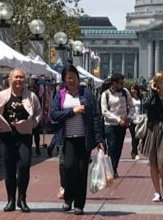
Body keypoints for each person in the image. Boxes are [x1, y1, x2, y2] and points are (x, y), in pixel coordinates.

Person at [51, 64, 103, 215]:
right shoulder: (60, 95)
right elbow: (54, 115)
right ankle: (68, 198)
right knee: (68, 168)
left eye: (73, 77)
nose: (71, 80)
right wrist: (72, 111)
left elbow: (95, 117)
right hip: (67, 138)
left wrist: (98, 139)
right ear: (64, 80)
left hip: (83, 139)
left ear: (78, 78)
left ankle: (79, 204)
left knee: (81, 171)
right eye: (68, 78)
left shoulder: (87, 95)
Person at [0, 68, 42, 213]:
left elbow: (38, 112)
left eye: (21, 77)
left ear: (25, 80)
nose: (18, 80)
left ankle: (22, 199)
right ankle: (11, 200)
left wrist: (32, 124)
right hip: (7, 136)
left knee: (24, 167)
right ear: (10, 79)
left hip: (24, 136)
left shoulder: (31, 96)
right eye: (16, 77)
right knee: (9, 170)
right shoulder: (1, 95)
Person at [140, 72, 163, 202]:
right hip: (152, 130)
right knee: (153, 163)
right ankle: (157, 192)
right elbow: (145, 107)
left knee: (162, 162)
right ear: (157, 84)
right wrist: (153, 93)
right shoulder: (152, 97)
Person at [101, 73, 134, 178]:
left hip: (123, 124)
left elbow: (132, 106)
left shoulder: (125, 92)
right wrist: (117, 119)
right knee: (112, 146)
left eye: (123, 83)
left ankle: (114, 168)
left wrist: (128, 117)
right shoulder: (105, 94)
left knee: (119, 147)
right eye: (120, 83)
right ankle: (111, 169)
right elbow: (105, 111)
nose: (122, 85)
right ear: (114, 83)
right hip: (110, 124)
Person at [128, 83, 143, 160]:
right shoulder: (129, 99)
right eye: (131, 89)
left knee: (138, 137)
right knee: (134, 137)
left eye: (134, 89)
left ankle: (133, 151)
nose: (132, 91)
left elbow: (142, 109)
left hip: (139, 120)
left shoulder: (140, 98)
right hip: (132, 120)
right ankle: (135, 153)